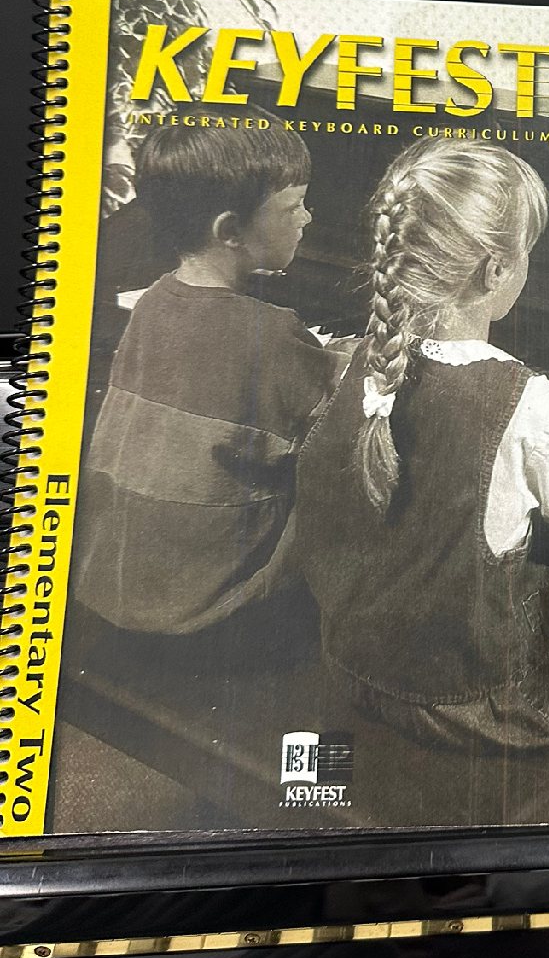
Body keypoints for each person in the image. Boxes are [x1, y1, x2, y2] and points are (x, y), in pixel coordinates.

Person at [293, 140, 549, 826]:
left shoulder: (357, 365)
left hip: (354, 668)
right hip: (470, 711)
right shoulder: (537, 411)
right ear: (496, 269)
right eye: (527, 254)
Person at [66, 113, 347, 820]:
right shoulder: (271, 334)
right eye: (294, 206)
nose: (310, 218)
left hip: (117, 591)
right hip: (207, 622)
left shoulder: (153, 304)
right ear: (230, 230)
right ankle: (320, 797)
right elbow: (343, 422)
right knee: (356, 574)